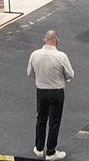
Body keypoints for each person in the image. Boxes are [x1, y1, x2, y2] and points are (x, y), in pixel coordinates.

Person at [27, 30, 74, 161]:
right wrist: (62, 78)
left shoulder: (35, 54)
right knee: (54, 121)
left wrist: (40, 77)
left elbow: (29, 72)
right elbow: (70, 74)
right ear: (56, 40)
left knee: (41, 119)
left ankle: (39, 148)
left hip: (41, 91)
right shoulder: (61, 56)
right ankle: (51, 152)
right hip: (56, 92)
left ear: (44, 39)